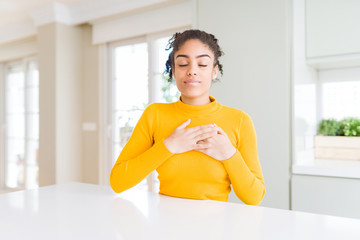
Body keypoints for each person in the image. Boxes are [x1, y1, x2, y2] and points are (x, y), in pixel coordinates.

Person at [110, 29, 265, 205]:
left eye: (202, 64)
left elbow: (254, 197)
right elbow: (118, 182)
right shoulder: (155, 114)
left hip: (217, 229)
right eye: (183, 64)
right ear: (174, 71)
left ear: (214, 71)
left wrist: (229, 154)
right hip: (165, 225)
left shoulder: (239, 120)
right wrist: (169, 146)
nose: (192, 71)